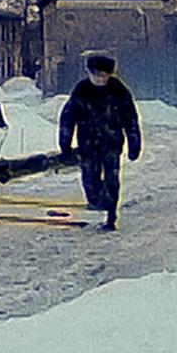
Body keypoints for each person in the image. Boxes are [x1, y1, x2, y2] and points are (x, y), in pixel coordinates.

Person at [59, 54, 142, 231]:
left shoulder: (119, 92)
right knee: (90, 179)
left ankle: (111, 215)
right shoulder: (81, 91)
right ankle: (97, 200)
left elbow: (130, 119)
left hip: (112, 143)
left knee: (112, 178)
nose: (100, 79)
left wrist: (134, 143)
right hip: (88, 143)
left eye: (104, 75)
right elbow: (68, 118)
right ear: (89, 73)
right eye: (97, 75)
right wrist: (65, 144)